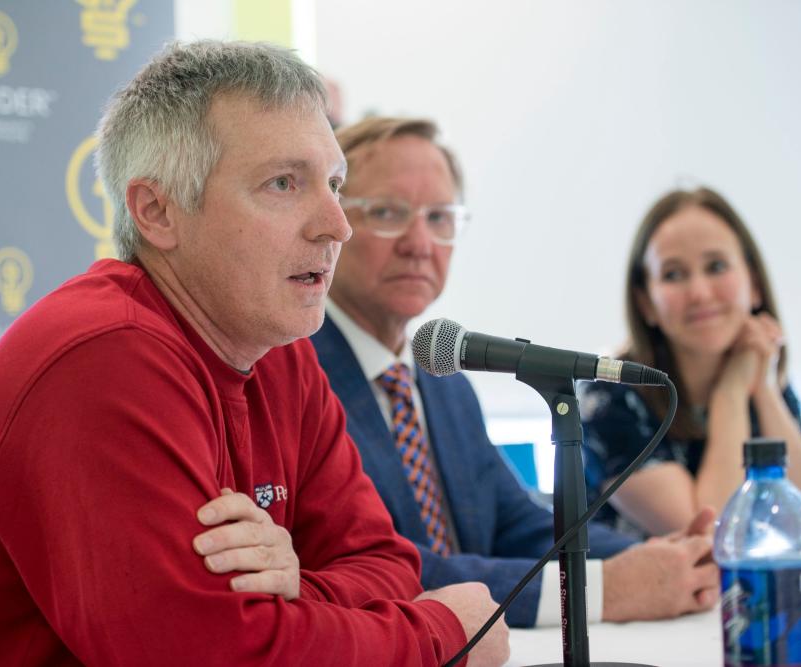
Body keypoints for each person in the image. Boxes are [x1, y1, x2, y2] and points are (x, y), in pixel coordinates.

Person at [0, 43, 509, 667]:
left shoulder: (278, 348)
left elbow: (387, 561)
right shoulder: (102, 358)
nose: (337, 225)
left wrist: (295, 587)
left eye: (333, 184)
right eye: (284, 183)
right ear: (157, 211)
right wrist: (440, 636)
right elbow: (210, 655)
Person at [194, 115, 721, 629]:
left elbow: (515, 522)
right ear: (332, 217)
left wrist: (661, 558)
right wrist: (605, 590)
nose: (419, 244)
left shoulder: (442, 379)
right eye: (387, 213)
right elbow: (382, 564)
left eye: (440, 218)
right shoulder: (287, 372)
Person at [580, 186, 801, 543]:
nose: (700, 292)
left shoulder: (758, 374)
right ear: (646, 303)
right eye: (673, 274)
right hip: (641, 597)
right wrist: (731, 394)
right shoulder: (609, 393)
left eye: (716, 266)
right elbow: (712, 536)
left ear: (754, 285)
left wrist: (763, 389)